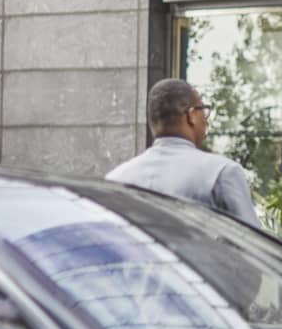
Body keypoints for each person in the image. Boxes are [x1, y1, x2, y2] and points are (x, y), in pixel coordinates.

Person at [107, 78, 263, 229]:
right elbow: (256, 246)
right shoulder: (221, 173)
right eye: (204, 110)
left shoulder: (115, 180)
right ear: (191, 115)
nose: (206, 120)